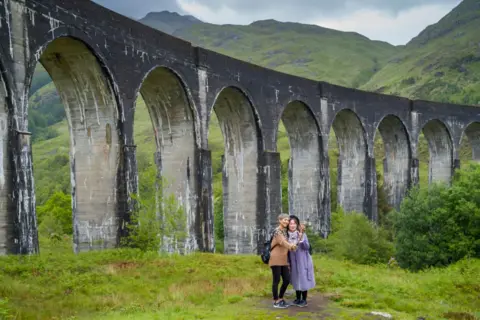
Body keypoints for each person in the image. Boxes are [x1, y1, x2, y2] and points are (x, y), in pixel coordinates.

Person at [269, 213, 298, 309]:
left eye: (287, 220)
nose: (286, 221)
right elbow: (282, 242)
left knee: (286, 279)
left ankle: (280, 298)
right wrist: (291, 246)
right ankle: (275, 300)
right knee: (276, 280)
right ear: (279, 220)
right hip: (276, 258)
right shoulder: (277, 231)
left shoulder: (285, 231)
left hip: (283, 259)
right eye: (284, 220)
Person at [287, 215, 316, 307]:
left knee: (303, 279)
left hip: (303, 260)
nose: (292, 225)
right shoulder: (287, 235)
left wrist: (301, 240)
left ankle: (304, 300)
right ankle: (298, 298)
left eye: (294, 223)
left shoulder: (302, 234)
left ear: (297, 224)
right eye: (291, 223)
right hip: (293, 260)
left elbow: (307, 247)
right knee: (296, 278)